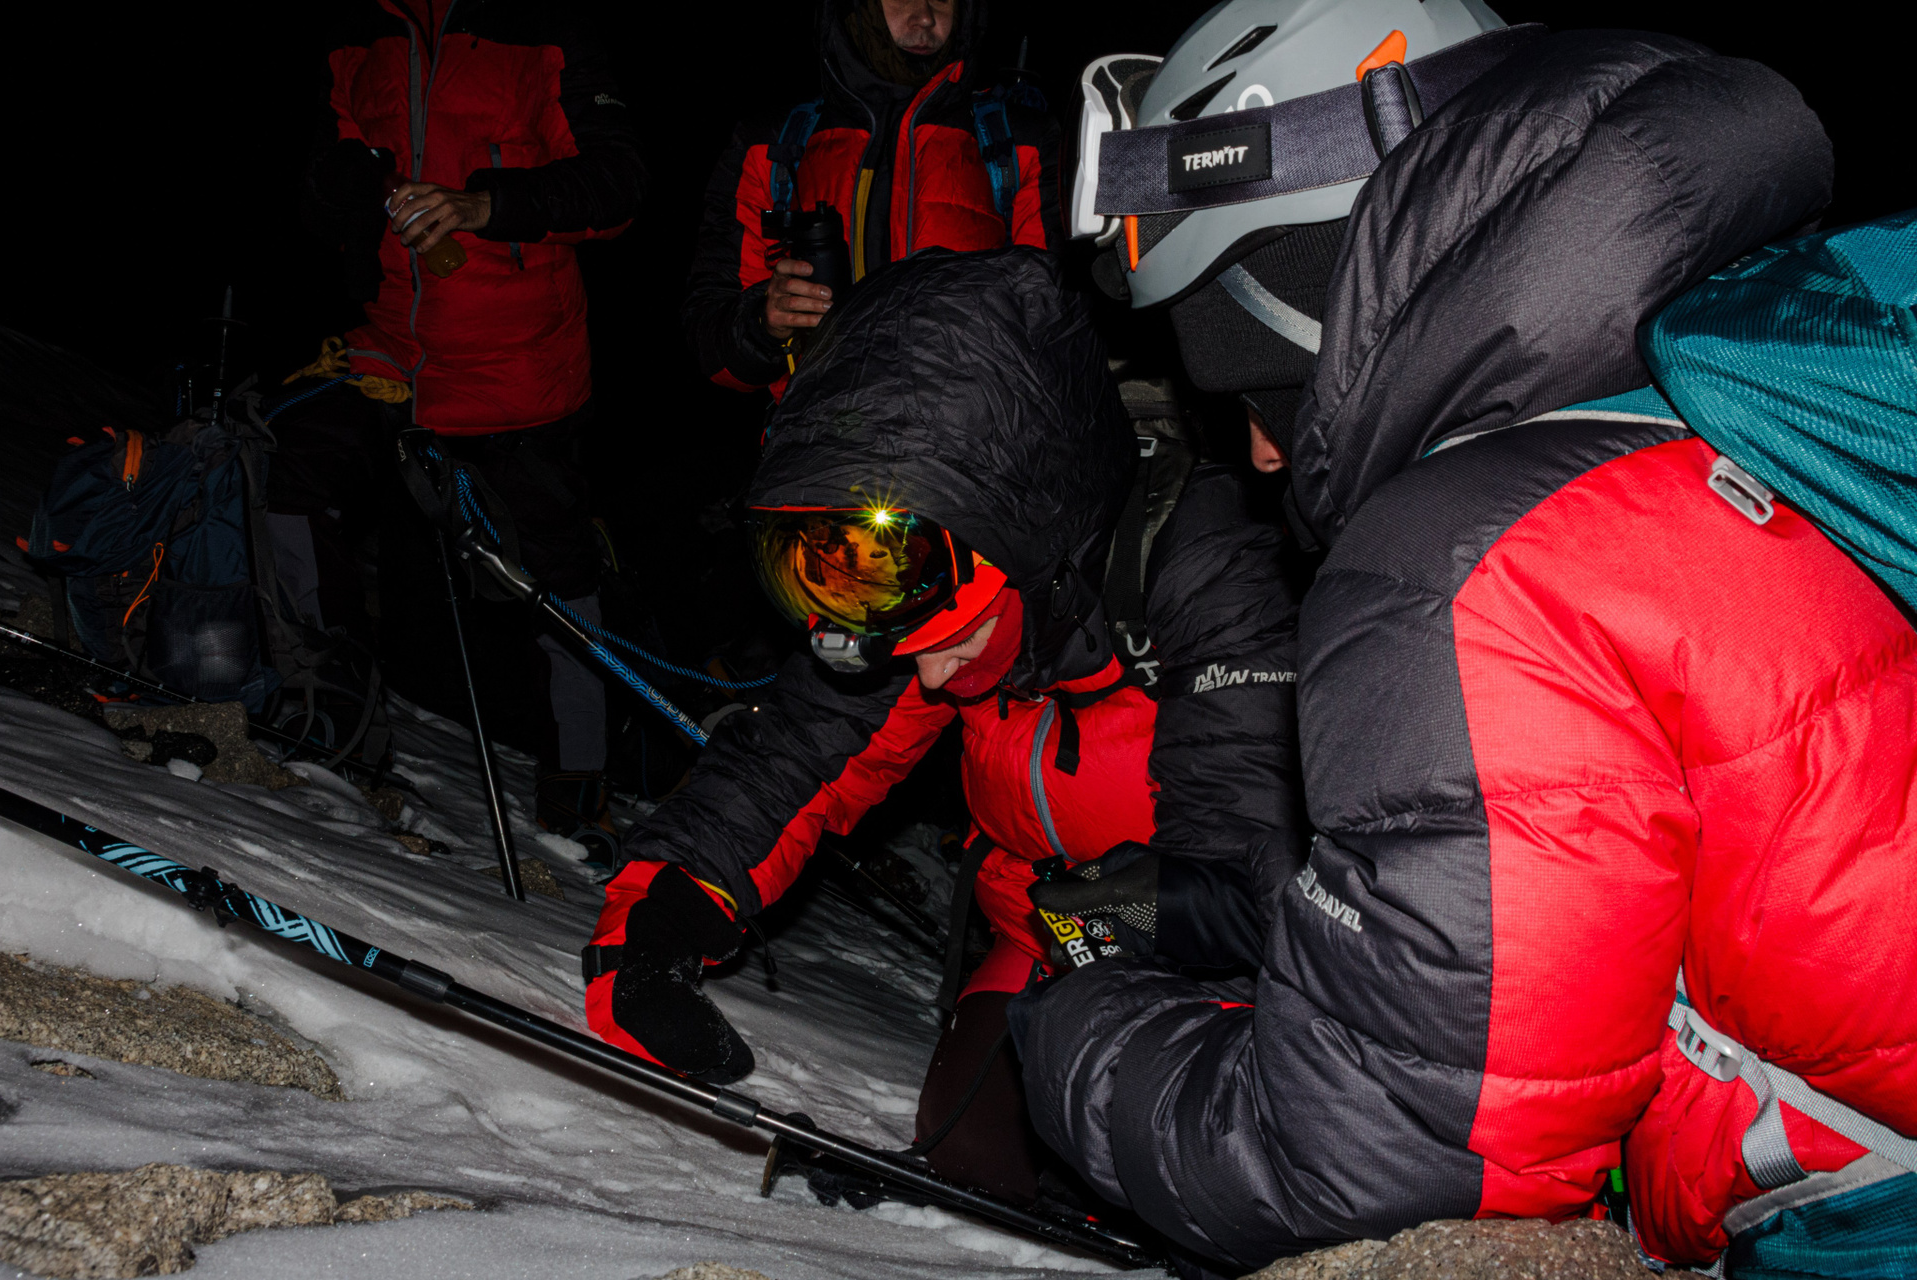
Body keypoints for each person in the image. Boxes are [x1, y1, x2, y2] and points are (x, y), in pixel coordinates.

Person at [1015, 2, 1917, 1276]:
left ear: (1315, 275)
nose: (1263, 452)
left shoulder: (1468, 559)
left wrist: (1075, 1025)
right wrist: (1229, 911)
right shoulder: (1726, 383)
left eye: (1251, 383)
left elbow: (1364, 1170)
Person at [583, 246, 1305, 1210]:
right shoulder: (927, 572)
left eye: (952, 643)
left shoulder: (1209, 563)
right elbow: (797, 759)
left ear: (1031, 549)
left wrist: (1109, 915)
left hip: (1239, 961)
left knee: (1169, 1152)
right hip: (1045, 934)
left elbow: (1253, 875)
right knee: (981, 1156)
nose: (926, 677)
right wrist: (658, 918)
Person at [283, 0, 643, 838]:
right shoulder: (357, 31)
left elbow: (620, 184)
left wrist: (485, 205)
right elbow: (320, 188)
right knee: (289, 469)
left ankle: (577, 795)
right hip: (389, 350)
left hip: (517, 364)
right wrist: (339, 186)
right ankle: (325, 715)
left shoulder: (544, 27)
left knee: (555, 583)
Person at [682, 0, 1061, 399]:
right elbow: (713, 349)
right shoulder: (772, 148)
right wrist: (765, 323)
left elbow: (1060, 335)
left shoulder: (1021, 145)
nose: (926, 16)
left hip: (974, 431)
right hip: (822, 432)